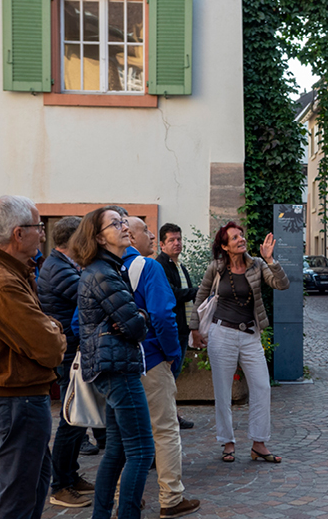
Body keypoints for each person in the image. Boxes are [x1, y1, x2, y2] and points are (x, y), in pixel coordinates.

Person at [0, 196, 67, 519]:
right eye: (39, 227)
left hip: (20, 396)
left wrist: (50, 329)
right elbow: (49, 348)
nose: (43, 234)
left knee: (32, 485)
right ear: (18, 234)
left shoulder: (9, 271)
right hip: (16, 399)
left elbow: (43, 331)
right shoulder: (0, 280)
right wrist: (55, 332)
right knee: (19, 495)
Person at [71, 207, 153, 519]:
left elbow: (132, 320)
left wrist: (137, 317)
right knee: (142, 451)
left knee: (118, 450)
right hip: (118, 369)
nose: (124, 227)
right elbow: (136, 327)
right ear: (99, 238)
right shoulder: (103, 273)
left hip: (113, 366)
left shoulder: (108, 269)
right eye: (115, 224)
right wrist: (139, 317)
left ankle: (101, 514)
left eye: (123, 222)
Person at [189, 221, 288, 463]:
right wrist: (194, 328)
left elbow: (281, 284)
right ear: (225, 246)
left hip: (250, 335)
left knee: (262, 387)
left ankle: (259, 443)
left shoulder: (257, 265)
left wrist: (270, 260)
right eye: (234, 237)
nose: (241, 239)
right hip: (221, 333)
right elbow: (201, 295)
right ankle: (227, 442)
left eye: (241, 235)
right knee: (223, 391)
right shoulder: (216, 268)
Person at [124, 217, 201, 519]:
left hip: (120, 363)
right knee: (165, 430)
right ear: (130, 236)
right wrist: (170, 353)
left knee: (124, 435)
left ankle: (125, 497)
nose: (151, 235)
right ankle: (171, 498)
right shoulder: (150, 266)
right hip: (151, 358)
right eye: (145, 230)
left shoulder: (101, 269)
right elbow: (163, 315)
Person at [36, 216, 95, 509]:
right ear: (74, 240)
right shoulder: (58, 269)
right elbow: (88, 295)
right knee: (72, 418)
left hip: (72, 349)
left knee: (77, 418)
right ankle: (60, 485)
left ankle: (70, 475)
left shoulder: (63, 265)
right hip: (69, 352)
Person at [155, 222, 197, 430]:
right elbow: (172, 294)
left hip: (183, 329)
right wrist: (198, 291)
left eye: (179, 239)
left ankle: (172, 414)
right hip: (172, 329)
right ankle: (169, 416)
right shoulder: (161, 265)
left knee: (173, 376)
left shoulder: (180, 266)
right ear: (162, 244)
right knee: (169, 376)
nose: (177, 243)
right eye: (171, 240)